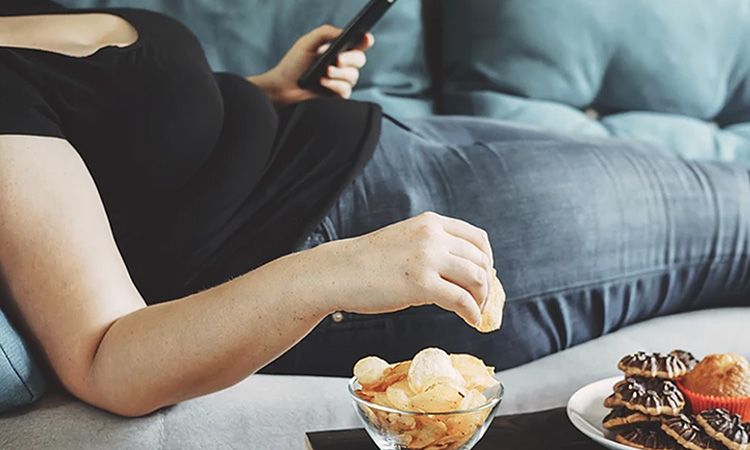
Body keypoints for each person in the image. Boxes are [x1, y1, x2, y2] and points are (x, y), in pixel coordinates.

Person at [0, 1, 748, 417]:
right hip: (359, 224)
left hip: (382, 143)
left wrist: (265, 91)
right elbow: (105, 359)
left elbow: (125, 152)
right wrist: (334, 270)